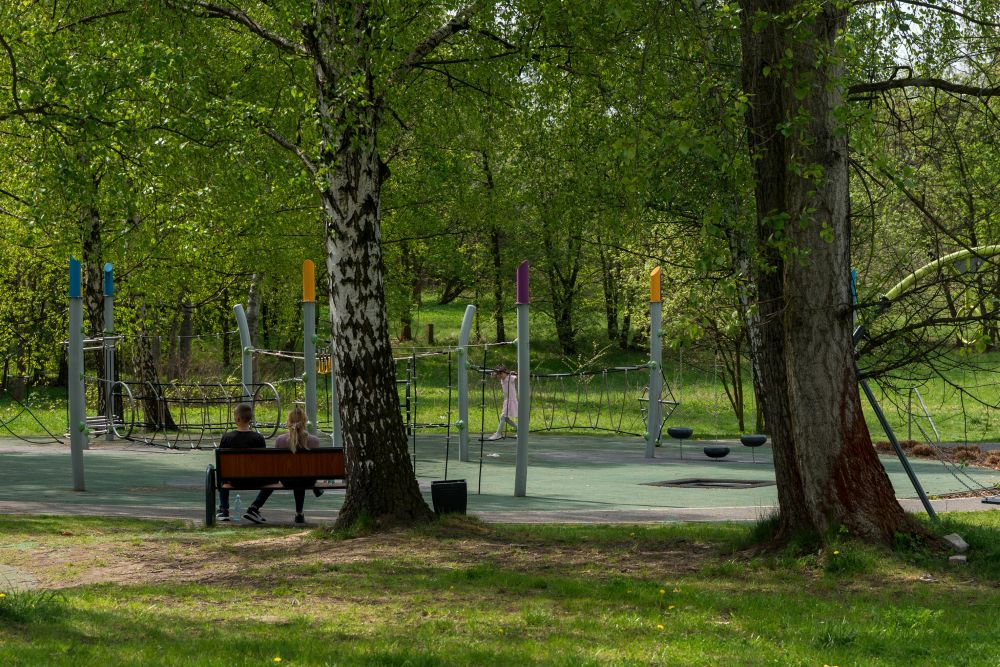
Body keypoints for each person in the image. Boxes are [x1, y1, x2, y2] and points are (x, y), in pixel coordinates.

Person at [242, 407, 322, 525]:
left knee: (285, 475)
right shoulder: (315, 441)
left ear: (288, 423)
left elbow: (276, 465)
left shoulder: (280, 440)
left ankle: (255, 506)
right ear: (305, 422)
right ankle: (299, 513)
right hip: (308, 480)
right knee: (302, 476)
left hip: (287, 480)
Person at [216, 402, 266, 522]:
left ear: (237, 418)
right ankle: (255, 507)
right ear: (250, 419)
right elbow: (264, 462)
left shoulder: (227, 437)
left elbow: (221, 463)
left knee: (221, 472)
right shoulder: (258, 438)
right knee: (273, 478)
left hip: (233, 479)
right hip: (255, 480)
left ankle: (223, 509)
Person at [488, 365, 518, 440]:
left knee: (503, 417)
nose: (499, 375)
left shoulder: (510, 378)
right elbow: (494, 377)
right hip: (507, 400)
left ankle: (498, 433)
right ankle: (521, 430)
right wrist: (493, 375)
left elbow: (517, 378)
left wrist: (516, 374)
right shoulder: (502, 378)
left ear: (505, 373)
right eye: (498, 374)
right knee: (506, 419)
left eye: (501, 374)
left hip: (511, 400)